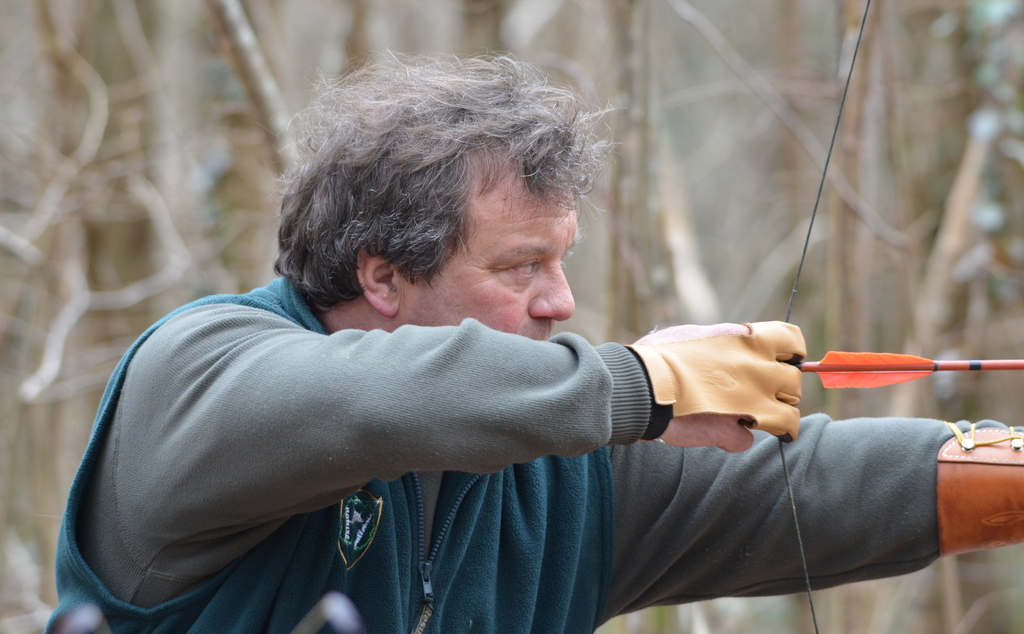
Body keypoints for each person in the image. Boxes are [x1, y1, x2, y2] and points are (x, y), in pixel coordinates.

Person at [48, 55, 1024, 633]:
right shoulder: (200, 374)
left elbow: (812, 486)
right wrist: (644, 383)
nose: (562, 302)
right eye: (520, 267)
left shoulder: (563, 473)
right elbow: (375, 402)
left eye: (561, 261)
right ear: (382, 278)